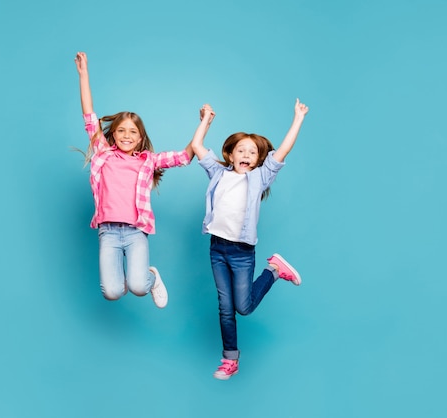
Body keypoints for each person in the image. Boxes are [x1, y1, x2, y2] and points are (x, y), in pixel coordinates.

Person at [74, 51, 212, 308]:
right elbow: (89, 116)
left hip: (136, 232)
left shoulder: (148, 161)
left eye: (133, 132)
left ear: (140, 138)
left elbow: (185, 156)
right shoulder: (104, 154)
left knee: (138, 287)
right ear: (113, 135)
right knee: (112, 292)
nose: (126, 136)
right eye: (121, 131)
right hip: (108, 232)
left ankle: (151, 277)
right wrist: (84, 74)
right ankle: (130, 278)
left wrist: (204, 123)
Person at [191, 100, 309, 379]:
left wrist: (298, 119)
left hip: (243, 252)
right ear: (230, 155)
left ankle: (274, 270)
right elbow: (197, 147)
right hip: (217, 250)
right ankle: (230, 359)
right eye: (240, 150)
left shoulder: (259, 178)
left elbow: (283, 151)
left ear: (258, 160)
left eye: (252, 152)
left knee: (243, 307)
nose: (246, 154)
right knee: (224, 307)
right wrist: (206, 121)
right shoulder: (218, 173)